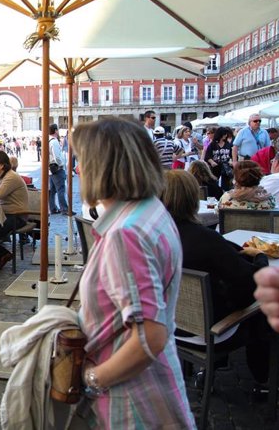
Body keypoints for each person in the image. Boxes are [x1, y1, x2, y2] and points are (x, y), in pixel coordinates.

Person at [71, 118, 195, 429]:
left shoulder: (126, 234)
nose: (78, 170)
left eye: (82, 160)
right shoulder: (150, 209)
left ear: (103, 166)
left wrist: (91, 378)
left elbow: (149, 337)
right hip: (153, 388)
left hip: (133, 400)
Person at [161, 170, 272, 392]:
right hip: (209, 331)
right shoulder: (205, 239)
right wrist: (260, 257)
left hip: (167, 324)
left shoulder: (151, 237)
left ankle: (213, 369)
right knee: (265, 308)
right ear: (193, 199)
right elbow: (252, 283)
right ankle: (264, 380)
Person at [204, 126, 235, 190]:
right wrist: (212, 162)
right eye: (224, 134)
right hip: (215, 168)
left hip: (226, 168)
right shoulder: (213, 144)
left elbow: (232, 155)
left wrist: (231, 161)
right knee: (214, 184)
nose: (226, 135)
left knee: (226, 186)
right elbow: (207, 156)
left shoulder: (228, 144)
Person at [48, 124, 68, 214]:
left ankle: (53, 208)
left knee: (52, 191)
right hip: (57, 168)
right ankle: (64, 208)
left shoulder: (48, 140)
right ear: (56, 130)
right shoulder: (54, 142)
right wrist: (62, 164)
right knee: (61, 189)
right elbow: (57, 157)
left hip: (51, 169)